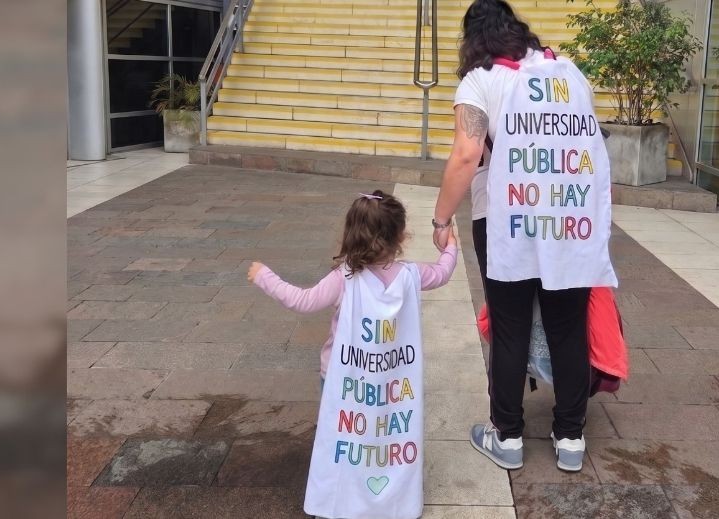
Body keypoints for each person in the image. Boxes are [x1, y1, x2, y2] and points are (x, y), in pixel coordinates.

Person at [430, 0, 617, 473]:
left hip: (505, 219)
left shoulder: (481, 79)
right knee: (567, 326)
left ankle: (508, 436)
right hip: (569, 217)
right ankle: (570, 437)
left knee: (510, 326)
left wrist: (440, 219)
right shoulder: (567, 72)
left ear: (473, 38)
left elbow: (467, 154)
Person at [247, 190, 457, 519]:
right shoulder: (411, 276)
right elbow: (443, 272)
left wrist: (264, 276)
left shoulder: (343, 279)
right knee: (387, 435)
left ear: (351, 234)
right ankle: (388, 496)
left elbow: (302, 300)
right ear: (401, 236)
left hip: (341, 378)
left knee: (344, 436)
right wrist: (451, 245)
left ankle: (340, 496)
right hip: (393, 381)